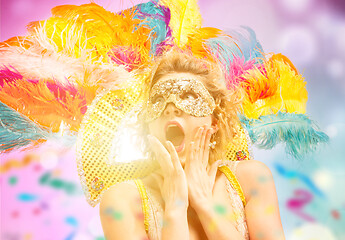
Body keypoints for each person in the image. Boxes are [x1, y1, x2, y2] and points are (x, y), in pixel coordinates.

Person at [99, 51, 286, 240]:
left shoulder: (251, 179)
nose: (171, 107)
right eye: (158, 100)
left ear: (214, 121)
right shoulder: (121, 201)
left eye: (189, 97)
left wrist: (205, 205)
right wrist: (175, 209)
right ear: (148, 126)